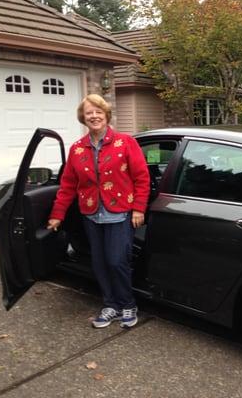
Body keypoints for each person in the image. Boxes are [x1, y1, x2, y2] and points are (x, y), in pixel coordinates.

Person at [47, 94, 150, 329]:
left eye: (98, 112)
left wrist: (138, 209)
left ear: (106, 115)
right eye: (89, 112)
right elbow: (68, 185)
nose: (93, 116)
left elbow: (141, 177)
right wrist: (57, 214)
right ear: (83, 117)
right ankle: (110, 304)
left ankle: (128, 304)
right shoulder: (77, 148)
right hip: (91, 213)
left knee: (116, 261)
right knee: (100, 263)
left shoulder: (125, 143)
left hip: (120, 212)